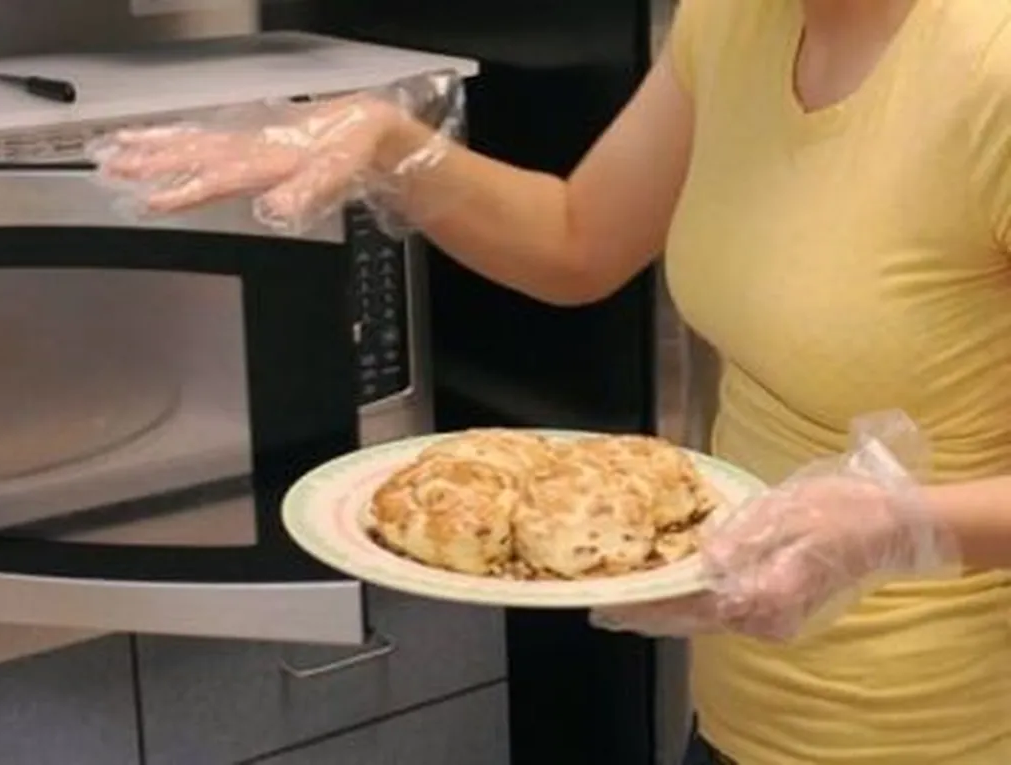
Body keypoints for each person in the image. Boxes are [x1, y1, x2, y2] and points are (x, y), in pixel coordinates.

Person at [94, 0, 1011, 762]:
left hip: (953, 731)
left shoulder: (991, 64)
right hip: (750, 714)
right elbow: (577, 238)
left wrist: (898, 526)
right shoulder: (737, 19)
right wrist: (390, 145)